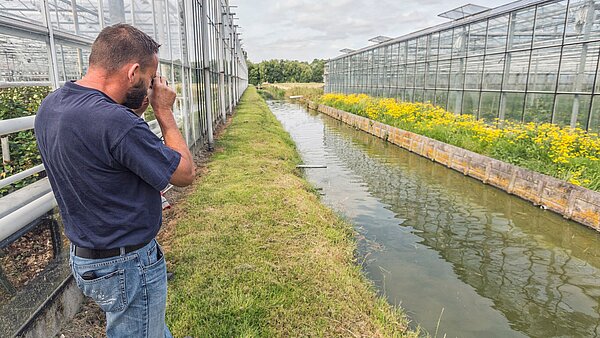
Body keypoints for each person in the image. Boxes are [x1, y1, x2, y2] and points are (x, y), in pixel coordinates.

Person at [35, 23, 195, 337]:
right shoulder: (115, 122)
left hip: (88, 257)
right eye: (150, 77)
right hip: (126, 264)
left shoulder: (53, 105)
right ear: (133, 71)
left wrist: (133, 113)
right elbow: (184, 173)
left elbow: (104, 147)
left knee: (149, 328)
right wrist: (163, 111)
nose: (151, 85)